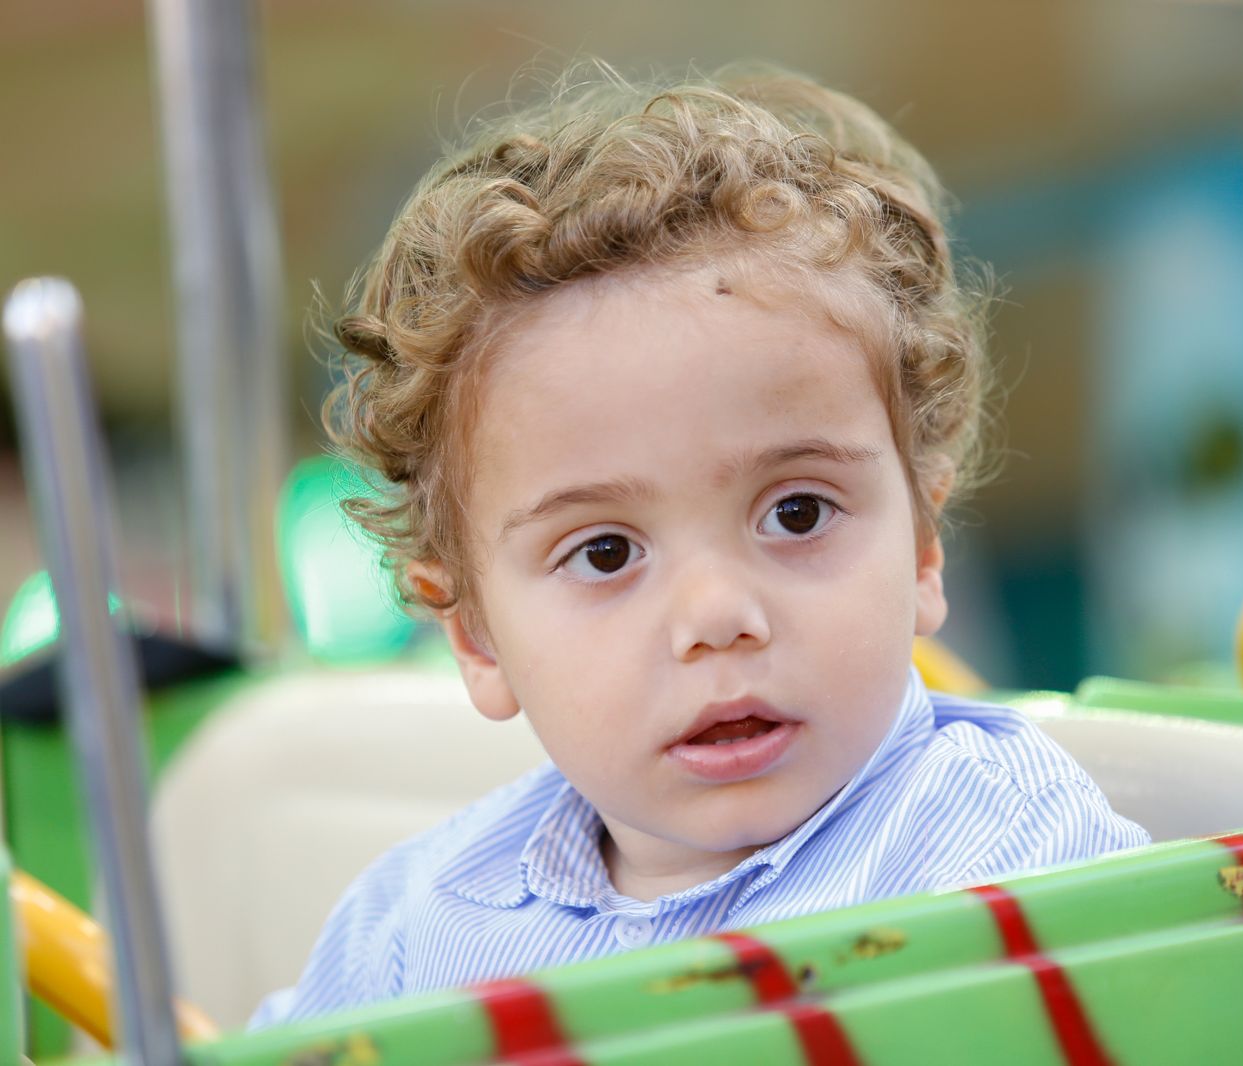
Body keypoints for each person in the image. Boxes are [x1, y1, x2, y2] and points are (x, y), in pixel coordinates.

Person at [252, 64, 1148, 1027]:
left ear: (924, 549)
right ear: (476, 637)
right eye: (605, 553)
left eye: (796, 514)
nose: (717, 615)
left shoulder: (1004, 860)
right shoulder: (415, 935)